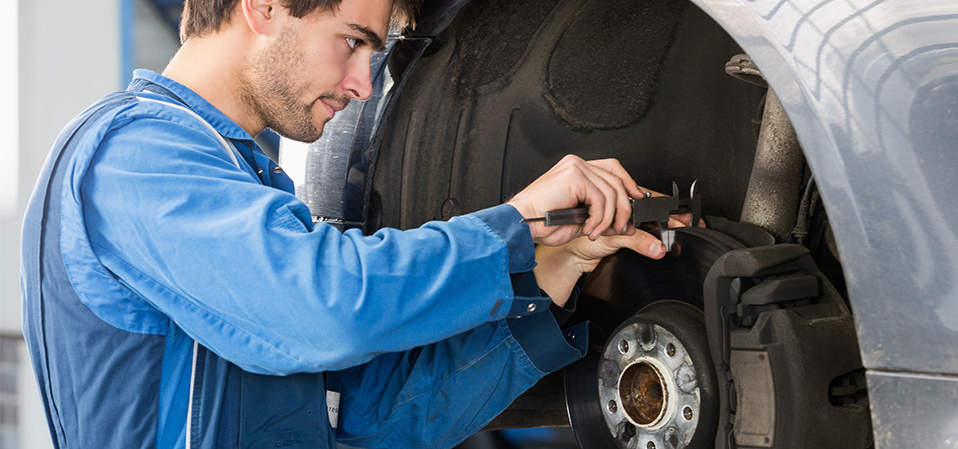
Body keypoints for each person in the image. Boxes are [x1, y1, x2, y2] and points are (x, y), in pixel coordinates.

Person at [20, 0, 674, 447]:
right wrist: (513, 226)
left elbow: (384, 422)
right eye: (354, 43)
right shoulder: (132, 155)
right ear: (264, 6)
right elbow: (325, 307)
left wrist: (555, 265)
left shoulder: (246, 188)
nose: (365, 83)